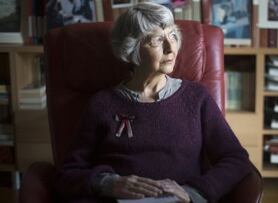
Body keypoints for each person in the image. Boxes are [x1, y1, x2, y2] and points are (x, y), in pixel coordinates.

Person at [55, 2, 251, 203]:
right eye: (157, 40)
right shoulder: (102, 104)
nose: (170, 48)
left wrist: (192, 192)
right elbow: (69, 173)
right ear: (132, 48)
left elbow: (236, 160)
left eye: (173, 35)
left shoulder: (196, 97)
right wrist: (110, 184)